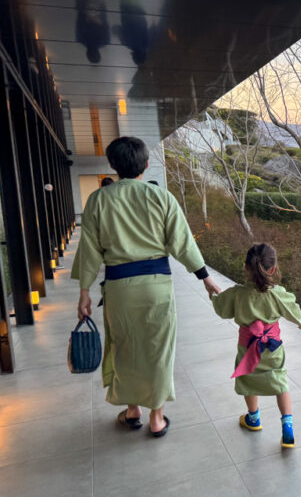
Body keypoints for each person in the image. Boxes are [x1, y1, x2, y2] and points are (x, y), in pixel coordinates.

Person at [72, 136, 221, 437]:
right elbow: (183, 244)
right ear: (146, 164)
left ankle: (132, 410)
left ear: (112, 165)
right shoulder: (162, 198)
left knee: (124, 348)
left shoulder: (98, 200)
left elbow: (89, 250)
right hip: (156, 287)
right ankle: (157, 417)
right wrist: (205, 278)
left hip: (119, 288)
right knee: (158, 350)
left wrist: (84, 292)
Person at [209, 243, 301, 448]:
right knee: (280, 382)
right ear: (273, 269)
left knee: (248, 378)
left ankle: (253, 418)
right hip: (273, 348)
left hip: (247, 348)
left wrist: (213, 293)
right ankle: (287, 427)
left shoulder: (237, 293)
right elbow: (292, 307)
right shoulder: (277, 293)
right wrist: (299, 322)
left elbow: (221, 308)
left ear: (246, 268)